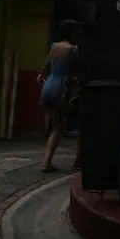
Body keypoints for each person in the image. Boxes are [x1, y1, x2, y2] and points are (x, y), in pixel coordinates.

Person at [37, 20, 81, 173]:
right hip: (61, 89)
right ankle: (78, 161)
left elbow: (45, 68)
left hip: (48, 87)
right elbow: (78, 70)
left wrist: (42, 77)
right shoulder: (74, 49)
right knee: (81, 124)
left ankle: (46, 162)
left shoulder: (54, 46)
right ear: (72, 32)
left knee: (56, 127)